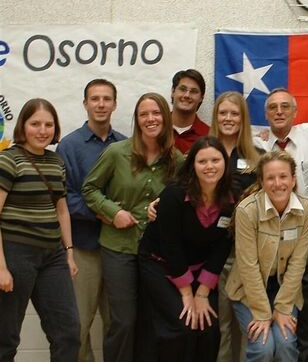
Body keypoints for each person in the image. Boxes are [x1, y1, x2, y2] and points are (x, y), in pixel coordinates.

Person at [82, 92, 182, 362]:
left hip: (157, 255)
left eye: (156, 113)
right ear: (136, 121)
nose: (151, 119)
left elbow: (188, 200)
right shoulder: (117, 153)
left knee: (153, 320)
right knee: (124, 321)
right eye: (144, 114)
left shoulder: (177, 159)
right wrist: (113, 212)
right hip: (119, 247)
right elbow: (89, 189)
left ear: (166, 116)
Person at [138, 136, 234, 362]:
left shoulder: (231, 197)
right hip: (160, 264)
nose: (209, 166)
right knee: (183, 326)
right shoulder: (174, 195)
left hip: (201, 272)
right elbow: (170, 245)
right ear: (192, 165)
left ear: (225, 163)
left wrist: (202, 293)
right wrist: (187, 293)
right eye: (202, 161)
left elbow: (222, 246)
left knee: (208, 327)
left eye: (215, 160)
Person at [0, 98, 80, 361]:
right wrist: (1, 267)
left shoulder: (55, 162)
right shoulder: (8, 160)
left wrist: (68, 252)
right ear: (23, 126)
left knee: (68, 332)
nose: (42, 130)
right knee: (6, 336)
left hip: (53, 256)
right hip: (15, 254)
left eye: (48, 124)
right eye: (35, 124)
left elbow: (61, 210)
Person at [56, 79, 127, 362]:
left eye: (106, 99)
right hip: (84, 247)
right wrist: (101, 212)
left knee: (118, 323)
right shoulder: (69, 146)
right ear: (85, 103)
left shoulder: (125, 144)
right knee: (80, 325)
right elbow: (64, 197)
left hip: (119, 249)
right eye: (94, 99)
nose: (100, 104)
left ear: (114, 104)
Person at [253, 88, 308, 361]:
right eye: (273, 108)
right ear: (266, 113)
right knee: (284, 303)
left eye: (285, 107)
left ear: (296, 111)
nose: (279, 112)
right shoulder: (258, 144)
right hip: (274, 237)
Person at [226, 151, 308, 362]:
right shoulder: (247, 211)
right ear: (262, 182)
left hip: (285, 290)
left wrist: (283, 308)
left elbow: (298, 263)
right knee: (263, 346)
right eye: (270, 178)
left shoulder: (306, 209)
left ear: (293, 179)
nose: (278, 183)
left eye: (283, 176)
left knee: (285, 344)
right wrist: (263, 313)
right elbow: (248, 267)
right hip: (248, 292)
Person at [210, 91, 263, 362]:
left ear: (243, 119)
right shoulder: (204, 152)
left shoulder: (257, 157)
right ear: (215, 116)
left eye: (234, 114)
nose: (228, 119)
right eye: (223, 113)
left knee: (248, 325)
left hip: (246, 254)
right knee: (219, 324)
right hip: (211, 252)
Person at [171, 69, 210, 154]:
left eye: (194, 91)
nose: (187, 95)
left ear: (201, 98)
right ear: (173, 92)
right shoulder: (157, 128)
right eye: (182, 89)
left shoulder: (209, 136)